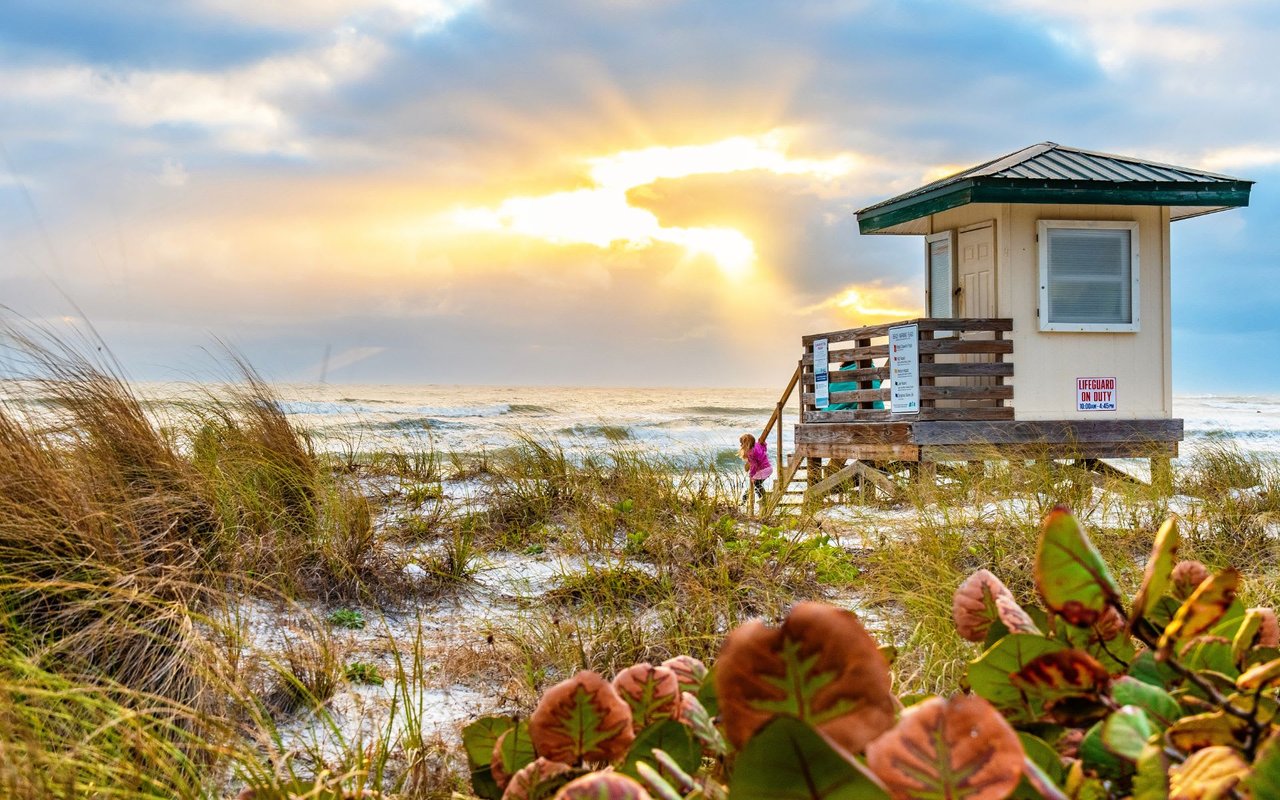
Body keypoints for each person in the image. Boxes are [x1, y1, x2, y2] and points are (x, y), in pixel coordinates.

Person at [738, 433, 773, 502]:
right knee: (755, 485)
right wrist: (764, 444)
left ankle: (764, 498)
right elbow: (764, 449)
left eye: (742, 443)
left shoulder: (751, 453)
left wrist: (751, 475)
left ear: (746, 444)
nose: (741, 445)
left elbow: (754, 465)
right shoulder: (757, 445)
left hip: (763, 470)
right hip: (768, 468)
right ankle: (744, 499)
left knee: (756, 484)